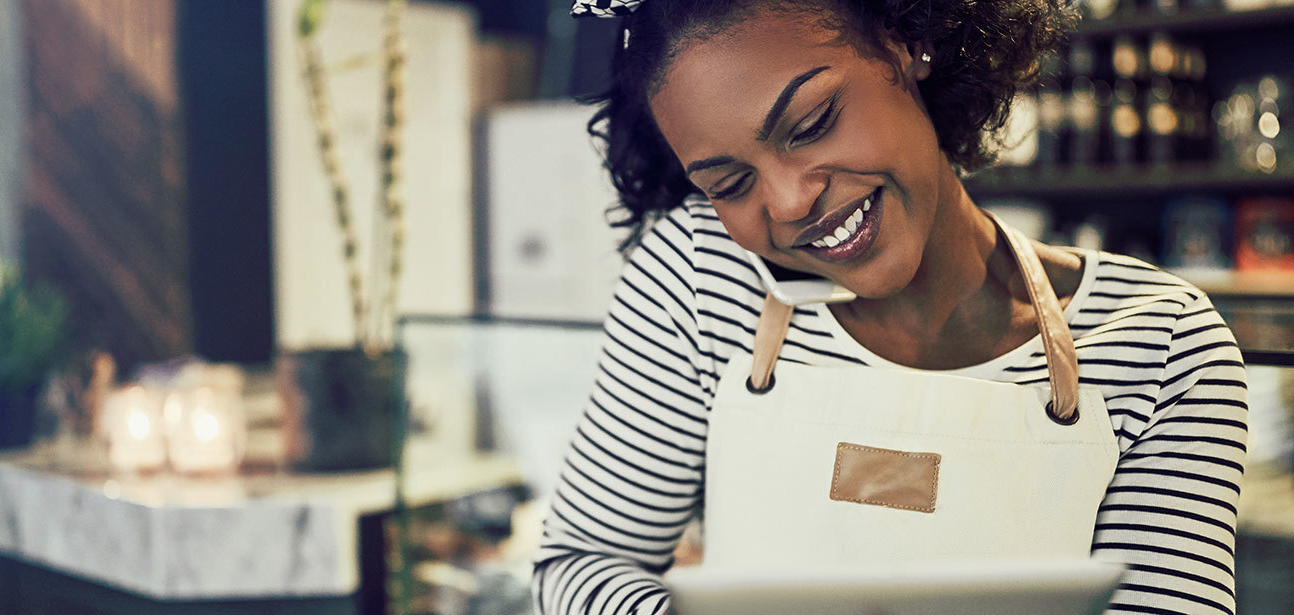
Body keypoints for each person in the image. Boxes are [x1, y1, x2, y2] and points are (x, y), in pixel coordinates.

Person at [532, 1, 1249, 614]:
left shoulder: (1162, 344)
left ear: (908, 46)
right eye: (729, 182)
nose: (787, 201)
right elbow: (580, 562)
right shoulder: (702, 276)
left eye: (812, 123)